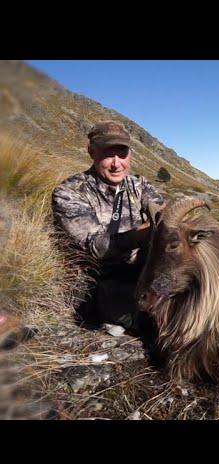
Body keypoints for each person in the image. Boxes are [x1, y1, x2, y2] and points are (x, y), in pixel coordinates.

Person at [51, 121, 164, 331]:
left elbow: (162, 213)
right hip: (99, 284)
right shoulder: (69, 193)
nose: (116, 163)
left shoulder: (140, 185)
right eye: (107, 155)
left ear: (130, 154)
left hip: (143, 274)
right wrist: (144, 233)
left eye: (122, 154)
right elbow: (97, 247)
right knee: (158, 323)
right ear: (92, 152)